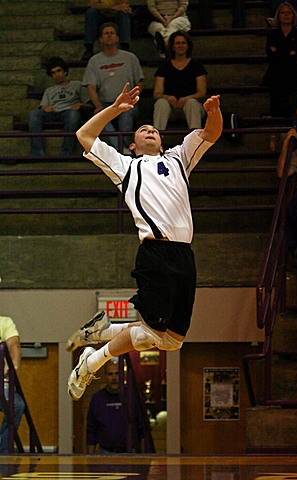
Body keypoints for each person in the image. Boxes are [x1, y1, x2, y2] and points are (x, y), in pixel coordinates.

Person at [67, 82, 223, 401]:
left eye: (153, 128)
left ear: (162, 141)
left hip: (184, 256)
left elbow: (211, 134)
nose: (149, 129)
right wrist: (114, 109)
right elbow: (84, 135)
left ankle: (104, 332)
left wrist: (214, 112)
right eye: (141, 129)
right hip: (155, 253)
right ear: (134, 146)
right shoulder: (126, 166)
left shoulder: (180, 157)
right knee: (152, 332)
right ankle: (91, 362)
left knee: (173, 341)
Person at [82, 22, 144, 151]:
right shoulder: (94, 61)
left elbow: (139, 82)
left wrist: (132, 98)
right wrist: (98, 106)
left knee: (126, 114)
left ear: (117, 38)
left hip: (128, 102)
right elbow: (91, 87)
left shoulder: (130, 58)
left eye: (112, 33)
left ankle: (124, 148)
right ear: (101, 38)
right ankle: (123, 149)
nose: (109, 36)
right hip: (105, 103)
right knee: (100, 116)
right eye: (106, 33)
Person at [28, 57, 91, 157]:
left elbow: (89, 104)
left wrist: (80, 105)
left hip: (69, 111)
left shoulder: (77, 85)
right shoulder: (49, 90)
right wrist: (45, 108)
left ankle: (66, 152)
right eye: (53, 73)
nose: (57, 75)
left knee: (73, 115)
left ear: (65, 71)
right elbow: (42, 106)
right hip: (53, 112)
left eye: (59, 71)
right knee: (33, 114)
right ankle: (37, 152)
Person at [86, 358, 144, 453]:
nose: (114, 378)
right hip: (105, 453)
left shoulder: (133, 396)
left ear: (123, 375)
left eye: (117, 373)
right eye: (110, 374)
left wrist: (144, 458)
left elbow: (142, 429)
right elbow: (91, 429)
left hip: (130, 453)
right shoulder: (97, 398)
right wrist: (90, 457)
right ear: (105, 376)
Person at [153, 30, 207, 131]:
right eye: (177, 43)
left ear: (187, 46)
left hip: (192, 108)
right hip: (171, 109)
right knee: (161, 103)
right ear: (172, 47)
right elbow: (157, 93)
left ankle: (195, 141)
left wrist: (187, 98)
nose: (180, 46)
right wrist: (167, 97)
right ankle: (157, 139)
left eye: (183, 43)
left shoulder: (197, 66)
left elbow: (202, 92)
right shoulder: (164, 67)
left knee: (192, 103)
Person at [262, 2, 297, 118]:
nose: (286, 15)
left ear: (293, 15)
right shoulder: (272, 35)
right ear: (278, 16)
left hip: (294, 74)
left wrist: (280, 51)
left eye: (289, 13)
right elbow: (271, 56)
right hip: (276, 74)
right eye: (283, 13)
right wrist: (289, 52)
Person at [0, 316, 25, 454]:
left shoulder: (4, 322)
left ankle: (2, 450)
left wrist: (12, 366)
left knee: (17, 405)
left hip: (2, 383)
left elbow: (13, 344)